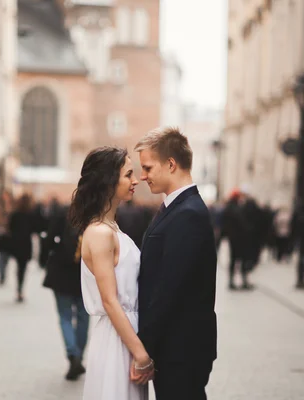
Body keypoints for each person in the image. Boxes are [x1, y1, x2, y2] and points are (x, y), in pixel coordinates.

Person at [134, 127, 217, 400]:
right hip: (175, 347)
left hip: (181, 349)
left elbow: (169, 289)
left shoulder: (188, 213)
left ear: (171, 164)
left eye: (147, 167)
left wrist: (143, 348)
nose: (142, 176)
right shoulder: (177, 208)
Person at [70, 147, 152, 400]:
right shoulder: (100, 233)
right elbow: (109, 299)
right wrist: (139, 352)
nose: (136, 180)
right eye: (128, 175)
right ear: (108, 180)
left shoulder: (111, 228)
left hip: (125, 332)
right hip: (118, 338)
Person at [42, 202, 89, 381]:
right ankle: (79, 355)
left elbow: (48, 241)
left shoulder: (63, 214)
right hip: (84, 275)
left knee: (65, 316)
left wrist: (46, 258)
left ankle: (73, 355)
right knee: (84, 317)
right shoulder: (92, 217)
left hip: (61, 274)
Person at [8, 193, 36, 302]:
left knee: (19, 266)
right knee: (23, 268)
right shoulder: (31, 214)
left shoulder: (15, 214)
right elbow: (34, 228)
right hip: (26, 244)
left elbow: (10, 227)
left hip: (16, 243)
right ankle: (20, 288)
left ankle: (19, 288)